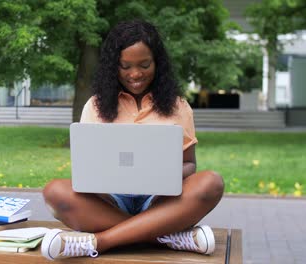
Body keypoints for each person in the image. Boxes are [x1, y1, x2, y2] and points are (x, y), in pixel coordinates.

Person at [40, 20, 224, 260]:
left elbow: (190, 164)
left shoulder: (178, 106)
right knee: (55, 191)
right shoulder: (95, 106)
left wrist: (166, 173)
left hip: (161, 201)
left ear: (157, 63)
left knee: (211, 183)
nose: (135, 74)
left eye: (144, 64)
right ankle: (165, 237)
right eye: (125, 66)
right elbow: (86, 167)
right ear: (113, 66)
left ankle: (100, 242)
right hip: (110, 201)